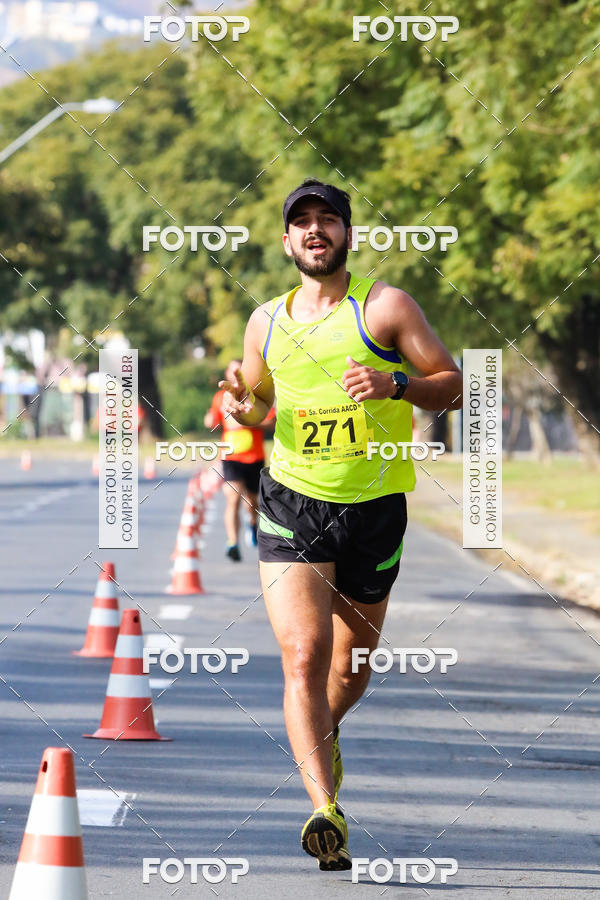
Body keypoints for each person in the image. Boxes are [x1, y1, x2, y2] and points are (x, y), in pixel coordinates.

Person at [220, 178, 462, 869]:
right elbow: (258, 401)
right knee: (303, 655)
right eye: (303, 222)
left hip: (375, 507)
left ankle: (324, 737)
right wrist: (243, 410)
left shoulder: (384, 307)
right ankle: (324, 809)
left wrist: (398, 385)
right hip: (292, 501)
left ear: (348, 234)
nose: (315, 230)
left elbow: (451, 381)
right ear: (287, 240)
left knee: (350, 669)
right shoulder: (266, 319)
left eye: (328, 219)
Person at [205, 361, 275, 560]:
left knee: (252, 502)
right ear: (227, 374)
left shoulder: (255, 396)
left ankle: (252, 523)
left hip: (254, 456)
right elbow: (213, 421)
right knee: (233, 498)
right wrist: (209, 421)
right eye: (231, 370)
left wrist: (251, 419)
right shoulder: (220, 397)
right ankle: (233, 543)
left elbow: (271, 421)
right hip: (231, 456)